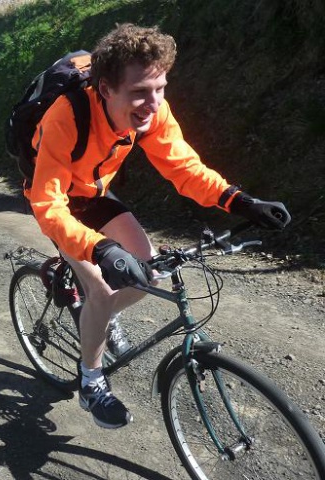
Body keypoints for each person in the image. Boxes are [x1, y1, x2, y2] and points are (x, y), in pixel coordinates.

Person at [25, 23, 291, 429]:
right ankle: (91, 381)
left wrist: (239, 201)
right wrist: (100, 249)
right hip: (57, 199)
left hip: (95, 192)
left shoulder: (151, 111)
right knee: (100, 289)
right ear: (106, 89)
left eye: (161, 88)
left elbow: (183, 167)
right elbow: (49, 204)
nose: (153, 103)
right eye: (140, 92)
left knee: (148, 270)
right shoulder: (67, 116)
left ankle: (96, 315)